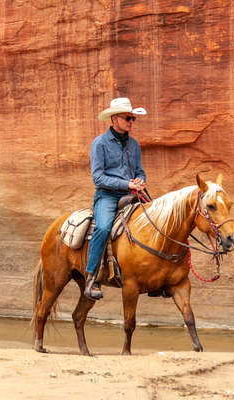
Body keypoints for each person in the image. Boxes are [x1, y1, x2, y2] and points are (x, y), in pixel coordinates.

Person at [84, 97, 148, 300]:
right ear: (114, 119)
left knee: (155, 221)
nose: (131, 122)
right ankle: (91, 277)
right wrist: (126, 184)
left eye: (133, 119)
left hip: (132, 195)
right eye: (128, 118)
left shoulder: (134, 144)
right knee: (103, 228)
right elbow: (98, 177)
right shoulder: (100, 143)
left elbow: (139, 170)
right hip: (107, 195)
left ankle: (155, 277)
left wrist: (140, 181)